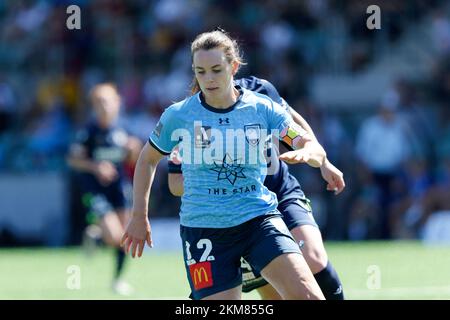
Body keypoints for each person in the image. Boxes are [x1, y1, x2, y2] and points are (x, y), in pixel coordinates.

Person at [121, 29, 328, 300]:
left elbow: (299, 137)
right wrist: (139, 215)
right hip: (204, 231)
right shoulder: (179, 116)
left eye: (216, 70)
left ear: (233, 67)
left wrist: (311, 151)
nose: (208, 79)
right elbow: (148, 159)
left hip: (259, 220)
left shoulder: (261, 108)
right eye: (201, 71)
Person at [167, 75, 345, 300]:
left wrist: (324, 161)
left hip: (279, 193)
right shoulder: (188, 118)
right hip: (232, 214)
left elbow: (293, 122)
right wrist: (213, 178)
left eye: (216, 69)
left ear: (231, 67)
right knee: (273, 295)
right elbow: (175, 183)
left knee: (313, 256)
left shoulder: (259, 91)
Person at [67, 83, 141, 296]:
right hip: (95, 190)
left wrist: (133, 150)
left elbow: (132, 160)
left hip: (119, 188)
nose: (103, 106)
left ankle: (117, 279)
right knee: (116, 236)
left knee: (125, 238)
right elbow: (73, 160)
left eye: (106, 101)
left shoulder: (124, 129)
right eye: (98, 102)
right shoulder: (88, 132)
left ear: (117, 103)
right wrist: (95, 166)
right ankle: (99, 237)